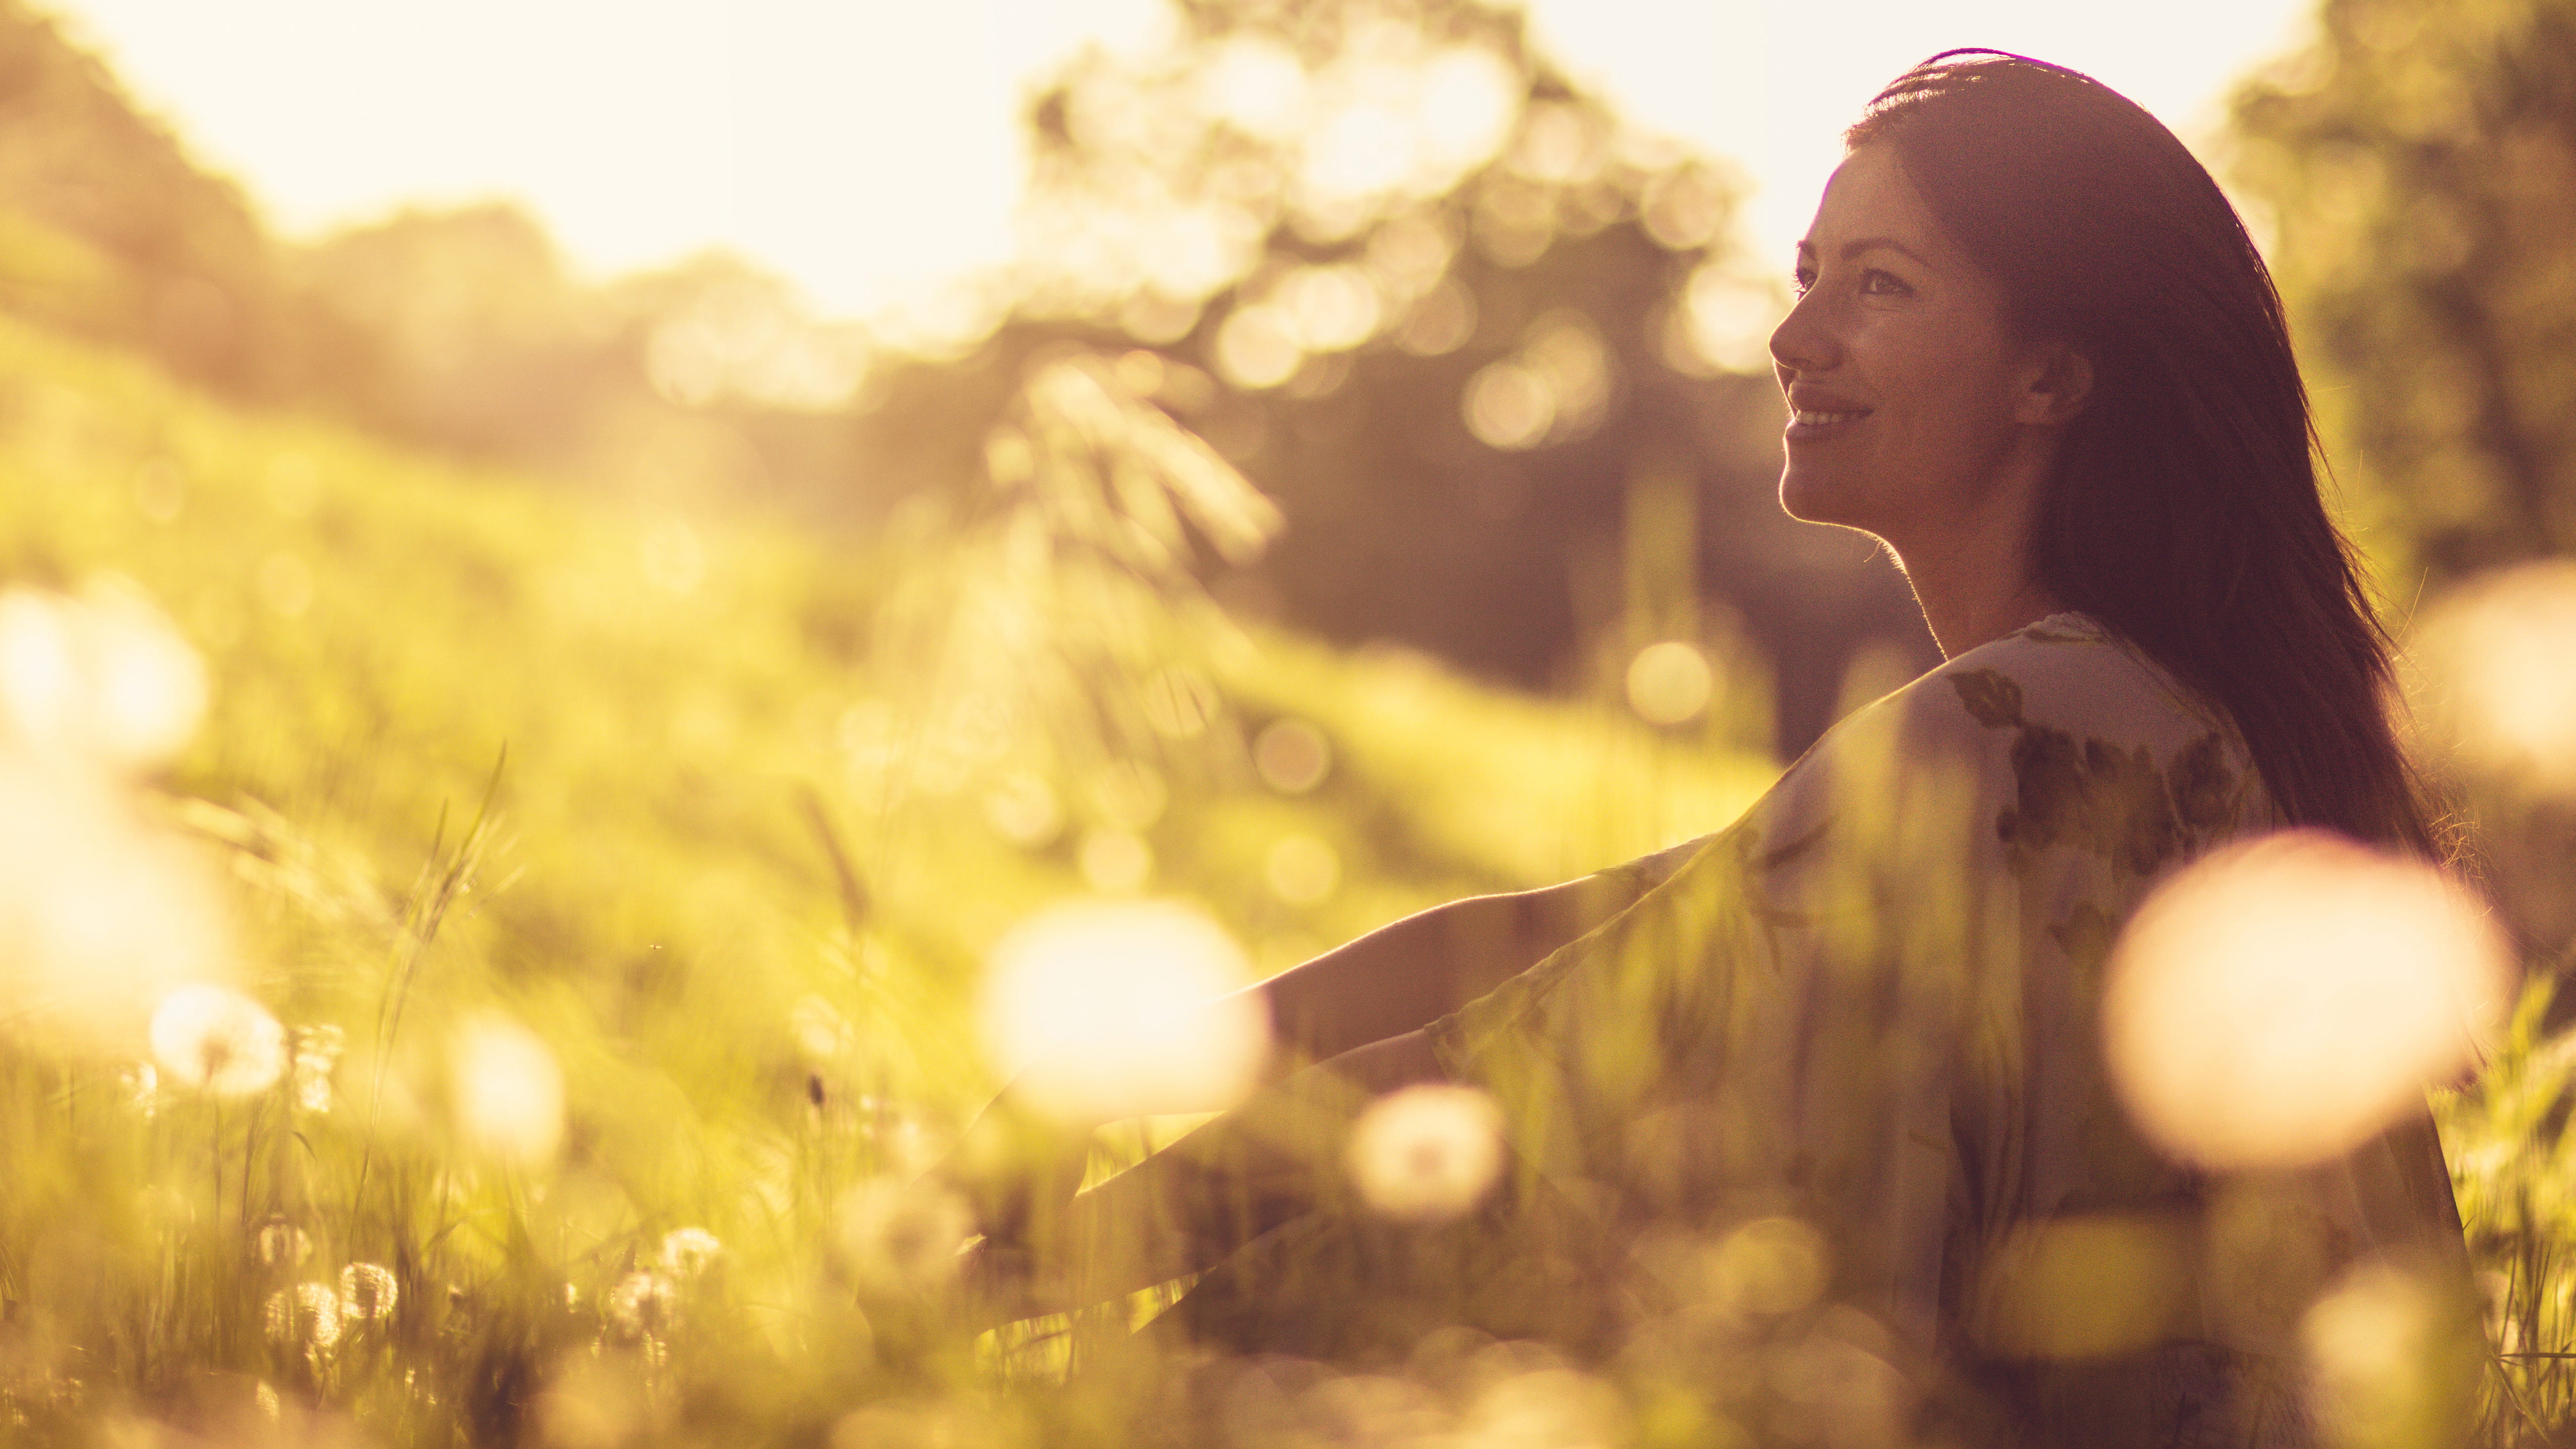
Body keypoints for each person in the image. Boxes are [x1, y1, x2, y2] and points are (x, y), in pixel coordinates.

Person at [942, 51, 2474, 1443]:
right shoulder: (2131, 715)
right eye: (1805, 275)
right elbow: (1556, 935)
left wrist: (1077, 1258)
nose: (1792, 334)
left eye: (1875, 286)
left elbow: (1541, 1046)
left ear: (2048, 378)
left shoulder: (2017, 729)